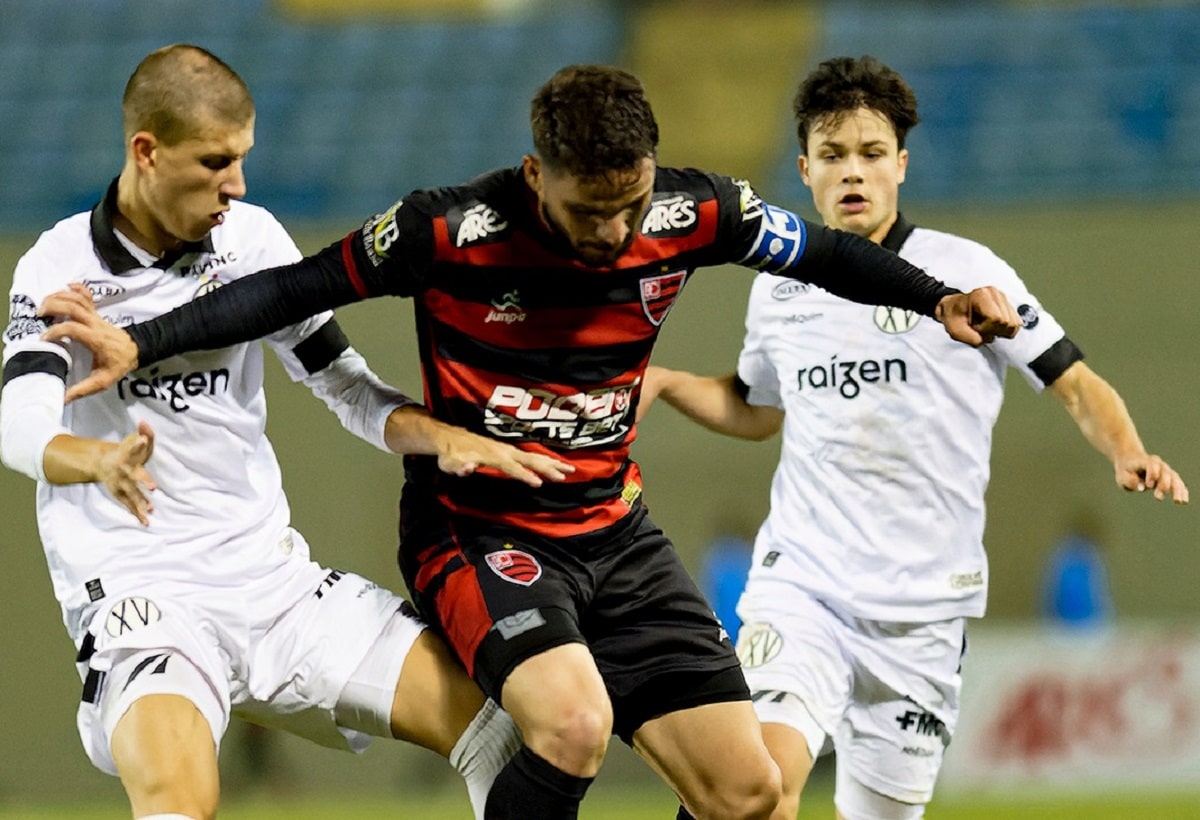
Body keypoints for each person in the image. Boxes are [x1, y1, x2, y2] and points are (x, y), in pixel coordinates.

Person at [36, 63, 1023, 820]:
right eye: (590, 210)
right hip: (479, 528)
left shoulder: (696, 211)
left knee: (752, 791)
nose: (612, 232)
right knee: (570, 722)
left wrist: (937, 298)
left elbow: (827, 252)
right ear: (534, 174)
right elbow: (291, 291)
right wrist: (143, 341)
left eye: (629, 205)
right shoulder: (446, 230)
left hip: (616, 534)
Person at [0, 44, 588, 820]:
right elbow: (19, 425)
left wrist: (434, 432)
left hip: (273, 585)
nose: (235, 185)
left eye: (242, 159)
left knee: (501, 731)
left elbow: (341, 382)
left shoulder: (251, 239)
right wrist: (97, 459)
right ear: (146, 151)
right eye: (214, 162)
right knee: (181, 799)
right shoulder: (60, 268)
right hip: (147, 595)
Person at [637, 55, 1189, 819]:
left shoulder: (967, 274)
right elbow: (756, 408)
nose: (852, 172)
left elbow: (1074, 381)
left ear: (902, 163)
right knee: (752, 791)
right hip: (806, 588)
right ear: (805, 169)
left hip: (925, 614)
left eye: (870, 153)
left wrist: (1128, 449)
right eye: (833, 156)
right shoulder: (779, 289)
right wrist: (664, 384)